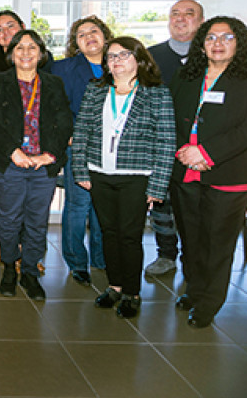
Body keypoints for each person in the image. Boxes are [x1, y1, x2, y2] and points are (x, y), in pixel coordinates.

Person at [169, 16, 247, 328]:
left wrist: (207, 153)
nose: (218, 43)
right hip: (186, 169)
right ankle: (195, 289)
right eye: (211, 37)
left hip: (231, 173)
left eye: (226, 37)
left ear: (239, 42)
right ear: (201, 43)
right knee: (191, 238)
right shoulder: (187, 75)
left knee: (217, 242)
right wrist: (186, 152)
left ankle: (209, 303)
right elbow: (170, 116)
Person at [72, 37, 175, 318]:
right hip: (100, 173)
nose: (116, 61)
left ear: (139, 59)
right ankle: (114, 286)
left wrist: (158, 185)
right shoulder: (96, 90)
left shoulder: (156, 94)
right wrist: (80, 170)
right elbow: (81, 132)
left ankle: (132, 292)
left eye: (123, 55)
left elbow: (166, 142)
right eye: (111, 56)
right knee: (108, 232)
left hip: (137, 176)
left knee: (129, 237)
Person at [0, 30, 72, 300]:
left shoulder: (53, 83)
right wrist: (14, 152)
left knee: (37, 220)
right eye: (19, 48)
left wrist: (51, 155)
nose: (25, 53)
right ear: (11, 54)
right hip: (9, 162)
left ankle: (31, 271)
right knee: (8, 219)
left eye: (31, 47)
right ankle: (10, 267)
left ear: (41, 53)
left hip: (42, 165)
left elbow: (64, 120)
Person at [50, 15, 113, 286]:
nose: (89, 37)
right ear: (75, 43)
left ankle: (101, 258)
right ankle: (77, 262)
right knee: (78, 204)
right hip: (80, 146)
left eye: (94, 31)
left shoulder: (120, 63)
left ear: (105, 36)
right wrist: (67, 135)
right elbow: (54, 107)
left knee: (104, 205)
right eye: (81, 34)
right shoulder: (63, 68)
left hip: (113, 149)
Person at [144, 0, 205, 277]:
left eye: (188, 14)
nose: (180, 19)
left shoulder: (211, 55)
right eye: (175, 14)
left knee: (194, 207)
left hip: (199, 147)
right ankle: (166, 253)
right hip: (159, 144)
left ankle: (195, 258)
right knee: (161, 202)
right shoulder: (151, 55)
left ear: (201, 22)